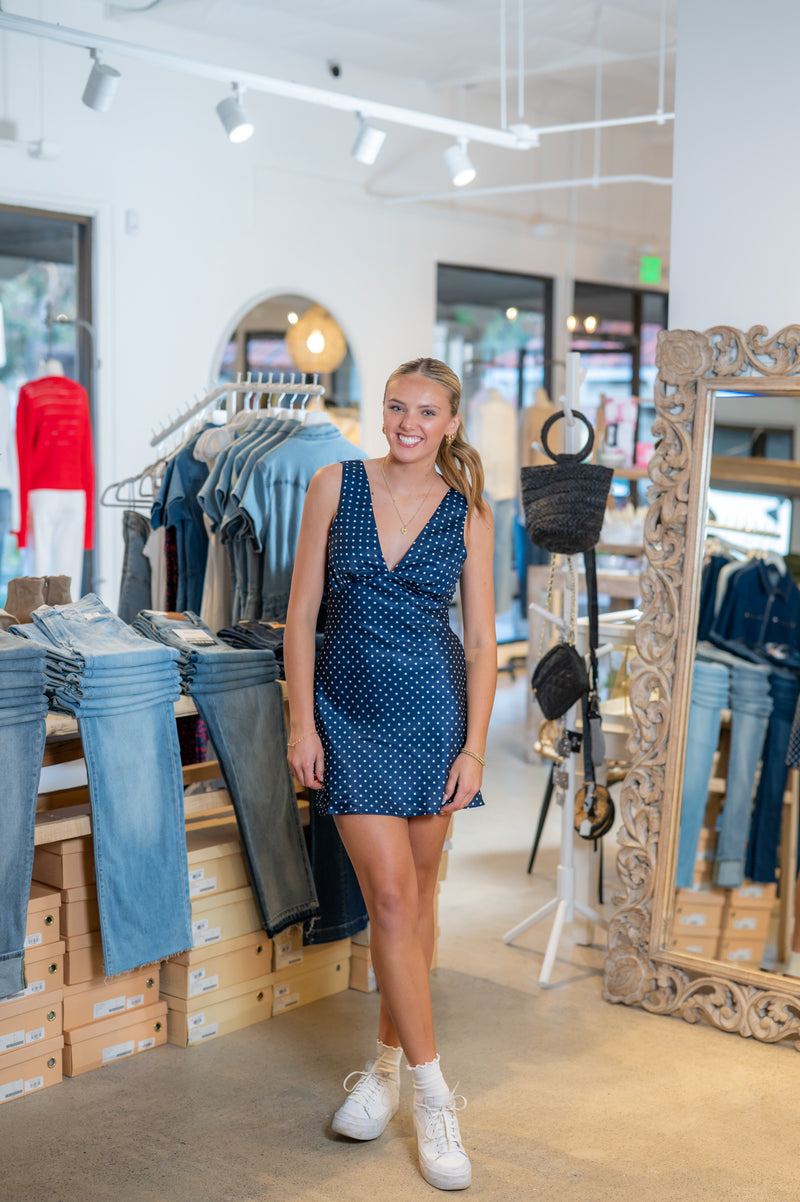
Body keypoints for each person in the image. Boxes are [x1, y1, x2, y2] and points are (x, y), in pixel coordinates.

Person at [285, 357, 496, 1192]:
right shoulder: (334, 485)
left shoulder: (470, 514)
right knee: (395, 902)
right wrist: (302, 721)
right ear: (383, 409)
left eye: (427, 412)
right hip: (347, 714)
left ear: (450, 422)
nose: (409, 423)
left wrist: (474, 747)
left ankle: (381, 1069)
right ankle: (435, 1097)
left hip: (436, 717)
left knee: (420, 903)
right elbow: (301, 615)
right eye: (398, 407)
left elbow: (481, 645)